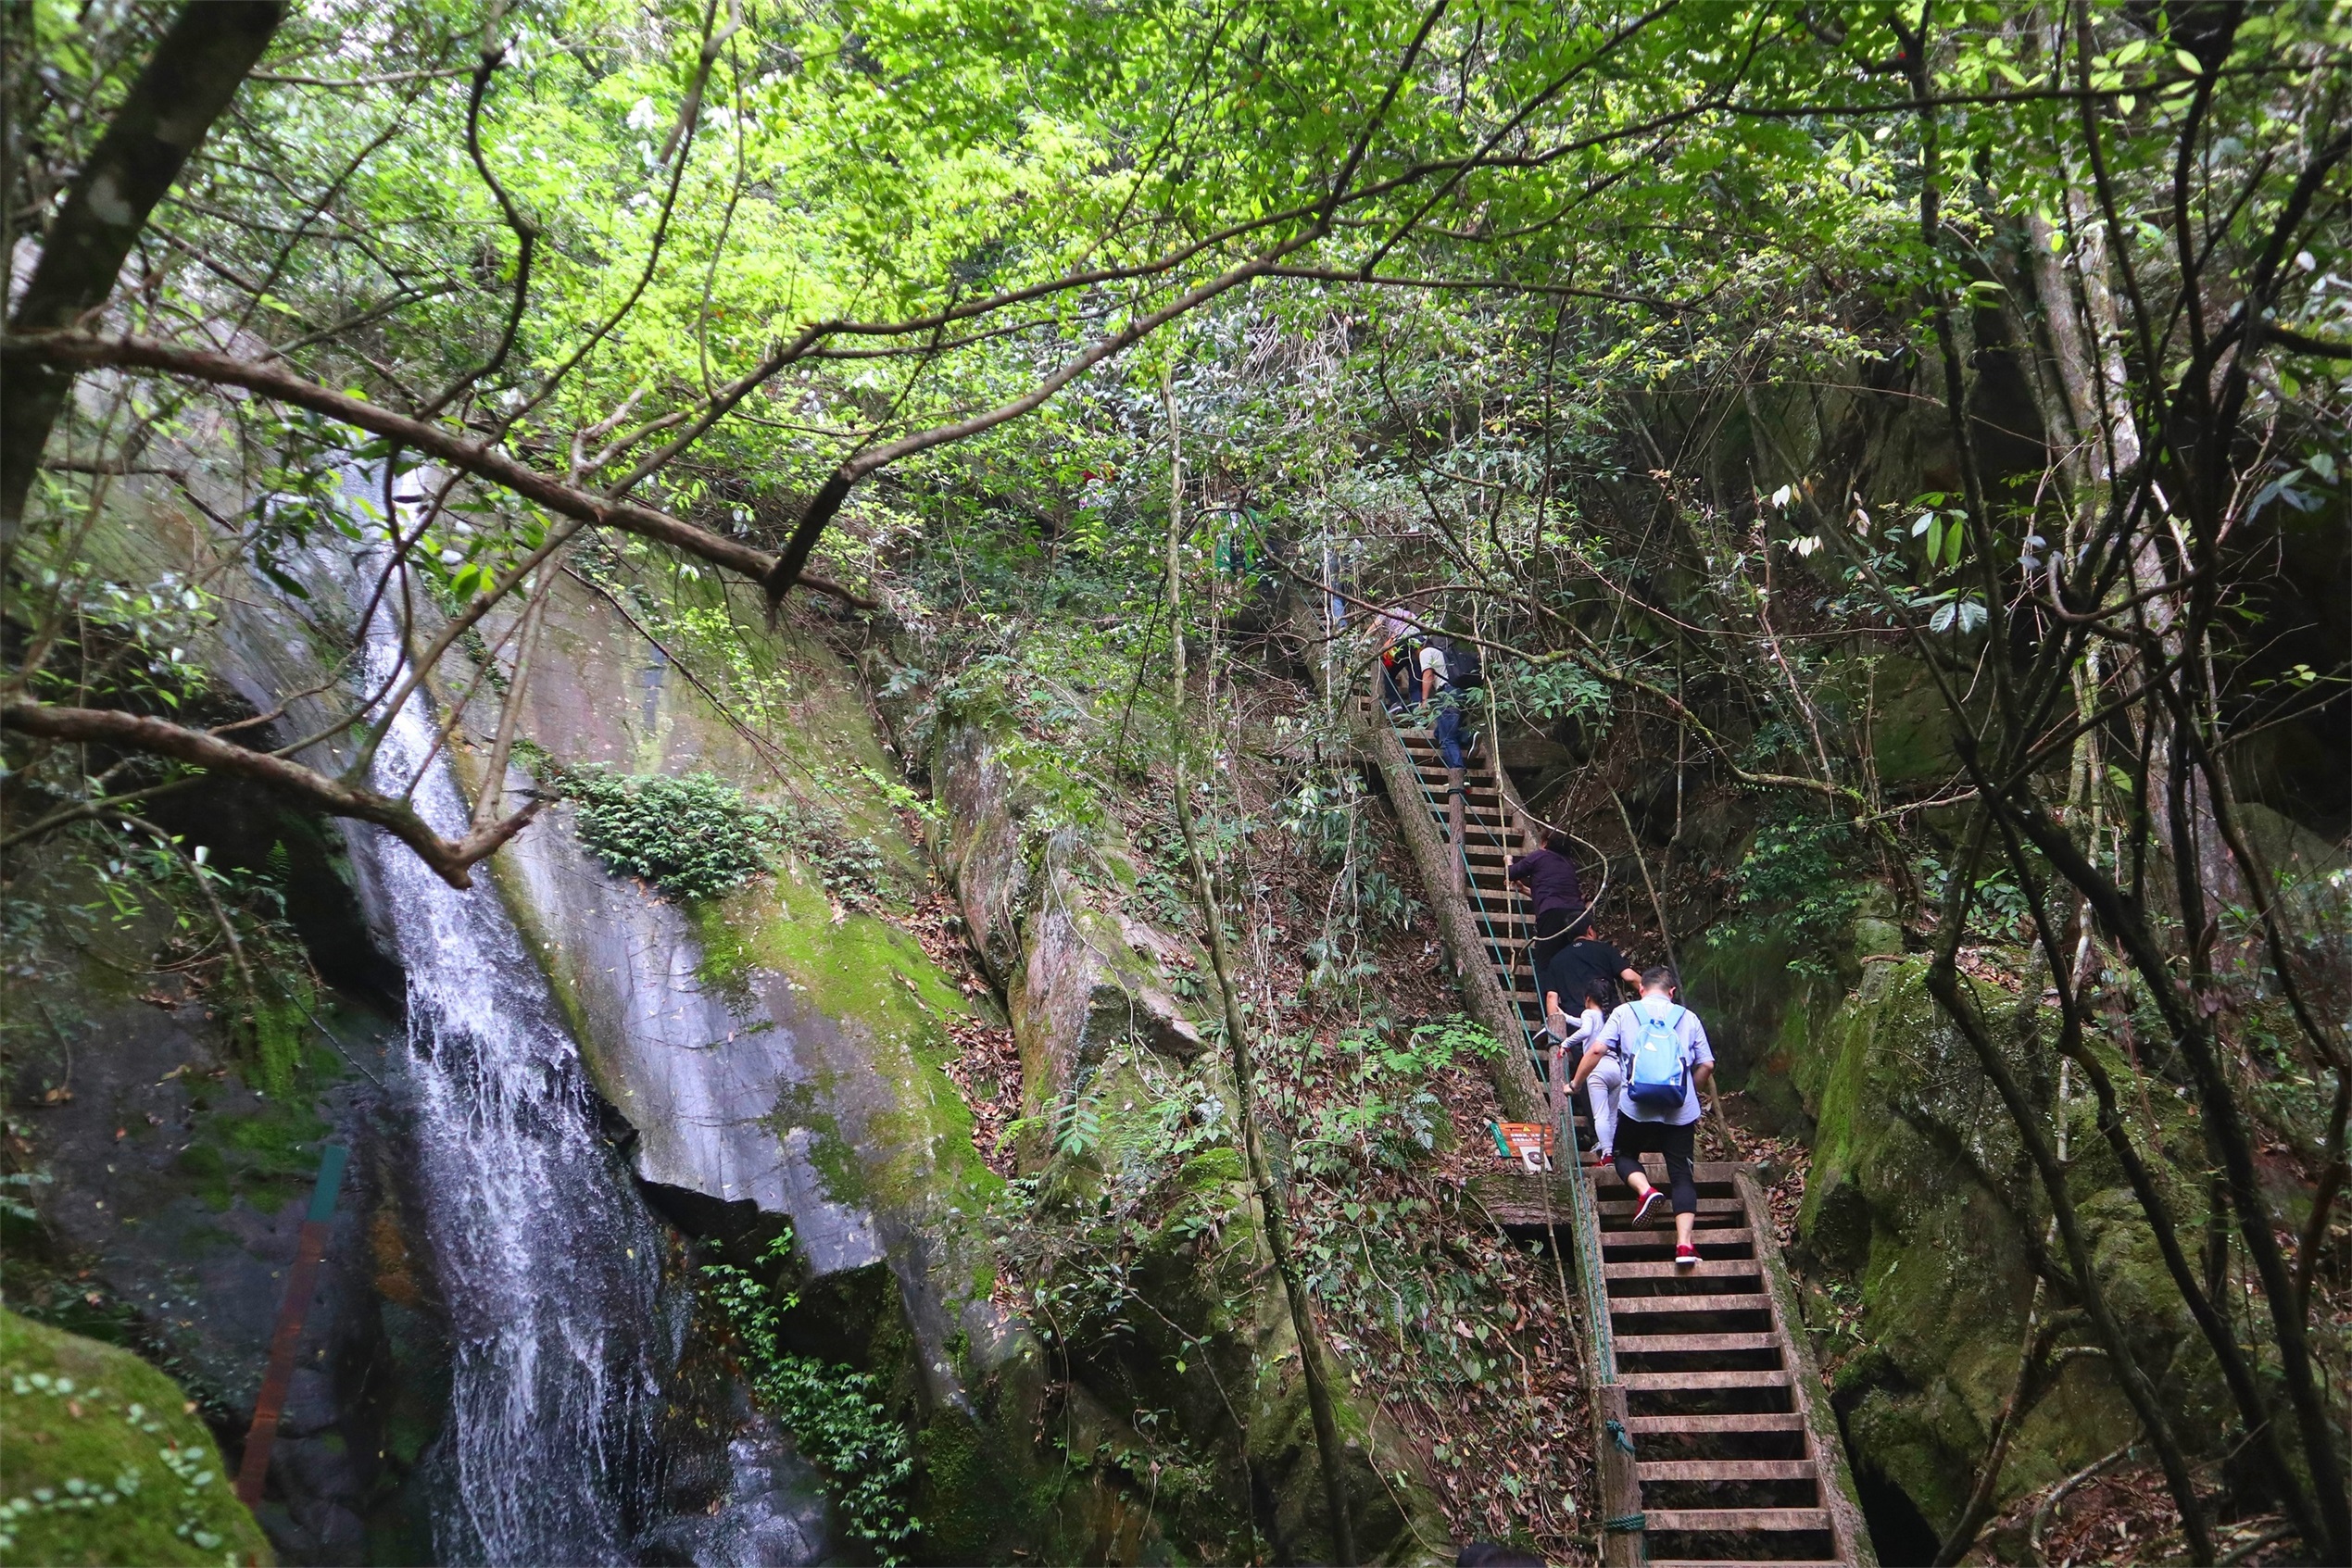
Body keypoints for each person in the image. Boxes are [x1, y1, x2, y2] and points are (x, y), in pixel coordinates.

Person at [1571, 965, 1714, 1268]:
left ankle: (1645, 1190)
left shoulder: (1625, 1013)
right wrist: (1690, 1092)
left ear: (1642, 989)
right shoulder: (1688, 1018)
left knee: (1623, 1154)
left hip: (1636, 1107)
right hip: (1678, 1111)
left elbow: (1597, 1050)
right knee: (1681, 1174)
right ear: (1672, 992)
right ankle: (1685, 1246)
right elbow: (1707, 1065)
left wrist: (1576, 1083)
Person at [1537, 924, 1641, 1036]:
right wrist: (1653, 993)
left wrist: (1555, 1033)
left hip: (1576, 1024)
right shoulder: (1605, 950)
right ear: (1590, 930)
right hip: (1610, 1018)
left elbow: (1551, 997)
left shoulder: (1556, 960)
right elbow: (1629, 977)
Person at [1551, 983, 1614, 1160]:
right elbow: (1587, 1025)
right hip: (1615, 1067)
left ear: (1587, 998)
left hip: (1598, 1068)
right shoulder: (1607, 1017)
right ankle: (1613, 1148)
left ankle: (1607, 1154)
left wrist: (1566, 1043)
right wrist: (1567, 1017)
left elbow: (1586, 1030)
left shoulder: (1588, 1013)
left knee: (1600, 1113)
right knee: (1613, 1113)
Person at [1508, 830, 1585, 969]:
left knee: (1545, 960)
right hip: (1578, 914)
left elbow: (1511, 873)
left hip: (1552, 914)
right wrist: (1524, 889)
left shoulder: (1540, 856)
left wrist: (1508, 861)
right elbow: (1554, 895)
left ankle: (1547, 989)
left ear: (1545, 843)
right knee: (1571, 961)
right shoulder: (1569, 864)